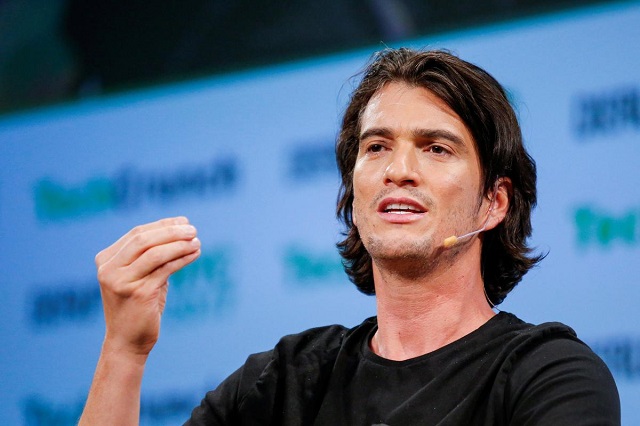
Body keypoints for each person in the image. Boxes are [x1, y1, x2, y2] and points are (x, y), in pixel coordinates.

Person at [79, 48, 620, 425]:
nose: (398, 169)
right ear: (353, 196)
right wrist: (125, 351)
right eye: (377, 147)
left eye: (436, 148)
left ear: (493, 203)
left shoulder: (549, 376)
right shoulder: (282, 384)